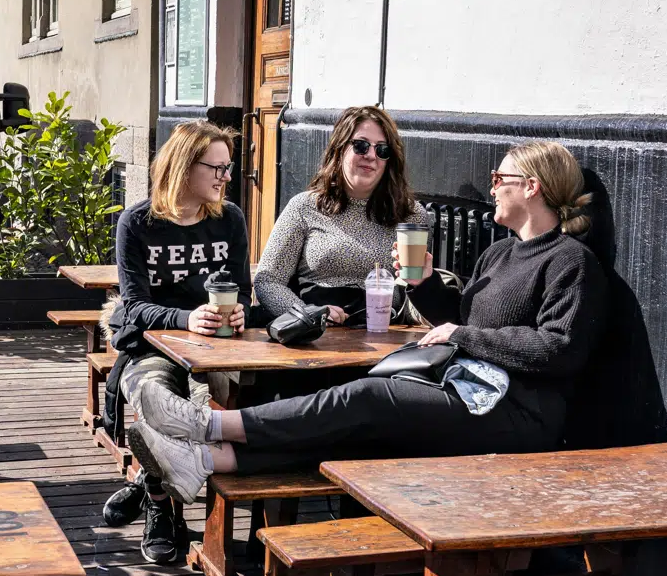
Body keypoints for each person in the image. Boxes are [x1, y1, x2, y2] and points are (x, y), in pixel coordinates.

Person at [125, 140, 608, 502]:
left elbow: (559, 348)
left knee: (369, 397)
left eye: (500, 178)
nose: (492, 187)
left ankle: (209, 424)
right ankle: (204, 461)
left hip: (516, 412)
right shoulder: (501, 253)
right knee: (353, 431)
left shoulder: (570, 262)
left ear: (532, 187)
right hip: (465, 389)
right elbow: (459, 319)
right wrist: (420, 284)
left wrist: (464, 334)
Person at [99, 120, 251, 563]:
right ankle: (163, 509)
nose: (226, 178)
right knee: (153, 396)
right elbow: (135, 307)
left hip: (217, 348)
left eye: (228, 168)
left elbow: (241, 290)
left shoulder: (230, 219)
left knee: (211, 412)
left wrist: (239, 309)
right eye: (217, 169)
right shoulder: (139, 222)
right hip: (154, 346)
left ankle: (148, 483)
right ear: (185, 168)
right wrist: (188, 317)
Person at [254, 105, 431, 326]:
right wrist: (305, 314)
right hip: (313, 336)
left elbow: (415, 294)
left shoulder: (411, 217)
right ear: (339, 148)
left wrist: (425, 290)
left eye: (382, 150)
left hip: (383, 334)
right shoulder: (305, 206)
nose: (371, 156)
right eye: (361, 146)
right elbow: (268, 280)